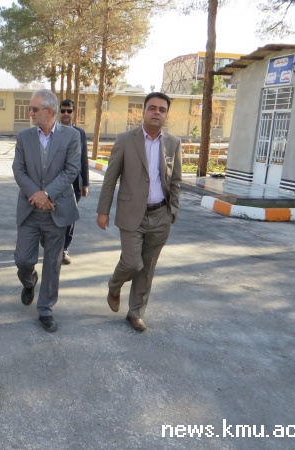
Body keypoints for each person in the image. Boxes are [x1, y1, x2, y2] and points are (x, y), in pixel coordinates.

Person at [96, 92, 182, 332]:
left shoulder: (173, 143)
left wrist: (172, 210)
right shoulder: (126, 140)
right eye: (152, 108)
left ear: (166, 115)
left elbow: (175, 181)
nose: (157, 113)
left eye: (162, 110)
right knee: (133, 263)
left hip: (160, 215)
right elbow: (110, 178)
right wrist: (103, 211)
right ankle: (114, 286)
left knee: (148, 267)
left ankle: (135, 313)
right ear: (143, 111)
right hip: (131, 213)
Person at [12, 89, 81, 333]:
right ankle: (29, 281)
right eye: (30, 108)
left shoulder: (71, 136)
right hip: (30, 209)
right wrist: (37, 195)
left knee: (52, 263)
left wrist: (48, 194)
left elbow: (71, 170)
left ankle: (45, 309)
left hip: (57, 210)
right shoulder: (24, 137)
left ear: (49, 112)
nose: (30, 113)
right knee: (23, 259)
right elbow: (18, 170)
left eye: (34, 109)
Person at [59, 99, 89, 265]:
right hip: (55, 183)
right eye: (63, 110)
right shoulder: (52, 131)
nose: (66, 114)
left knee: (70, 217)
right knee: (53, 216)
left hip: (75, 183)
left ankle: (64, 249)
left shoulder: (80, 133)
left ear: (73, 113)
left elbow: (84, 158)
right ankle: (52, 245)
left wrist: (85, 183)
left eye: (69, 111)